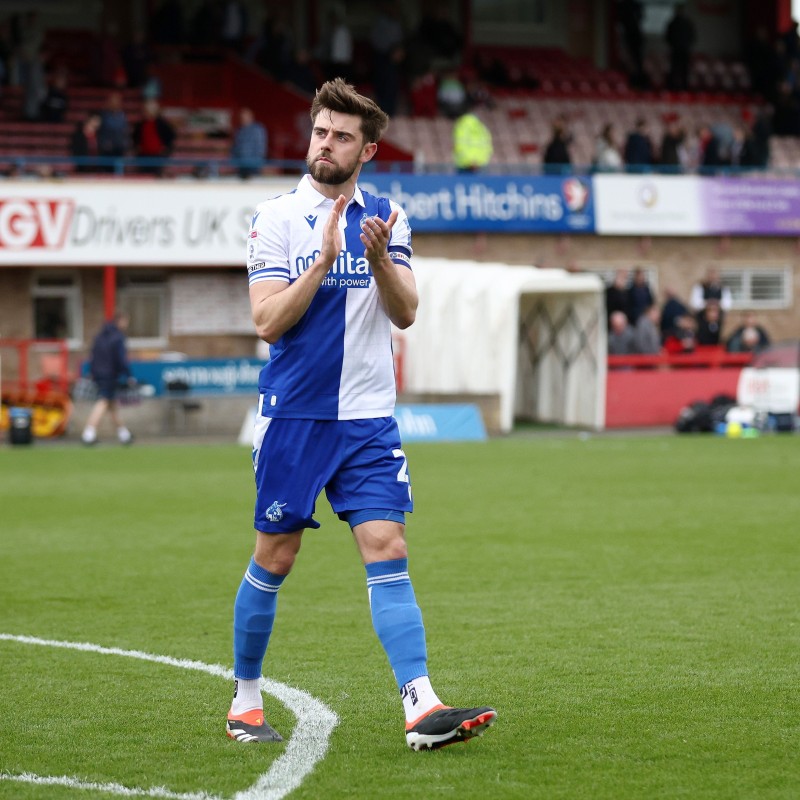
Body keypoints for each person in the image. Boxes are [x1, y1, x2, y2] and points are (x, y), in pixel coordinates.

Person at [229, 77, 496, 750]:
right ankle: (246, 702)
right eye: (321, 131)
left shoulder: (388, 216)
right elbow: (266, 321)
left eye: (342, 136)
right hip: (296, 419)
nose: (327, 144)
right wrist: (320, 264)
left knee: (388, 546)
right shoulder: (275, 218)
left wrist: (377, 259)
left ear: (367, 150)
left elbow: (406, 310)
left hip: (369, 419)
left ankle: (421, 707)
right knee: (276, 556)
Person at [81, 312, 134, 445]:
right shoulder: (118, 338)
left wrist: (93, 372)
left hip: (98, 374)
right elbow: (121, 359)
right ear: (120, 321)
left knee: (112, 404)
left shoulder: (99, 337)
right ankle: (88, 433)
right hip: (109, 375)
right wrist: (128, 375)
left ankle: (124, 434)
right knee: (103, 402)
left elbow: (92, 356)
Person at [132, 98, 176, 176]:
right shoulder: (141, 124)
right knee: (144, 176)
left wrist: (165, 148)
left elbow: (171, 136)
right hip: (144, 155)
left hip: (157, 156)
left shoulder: (161, 124)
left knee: (156, 176)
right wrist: (137, 147)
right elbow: (134, 137)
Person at [452, 101, 493, 172]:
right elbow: (461, 144)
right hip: (474, 166)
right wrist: (475, 162)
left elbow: (460, 146)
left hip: (472, 165)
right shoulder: (479, 127)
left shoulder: (463, 126)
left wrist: (474, 162)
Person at [665, 5, 696, 91]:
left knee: (683, 70)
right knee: (675, 69)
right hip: (677, 50)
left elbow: (692, 37)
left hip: (683, 50)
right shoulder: (673, 23)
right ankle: (673, 88)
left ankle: (683, 88)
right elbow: (668, 37)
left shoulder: (687, 23)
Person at [230, 107, 267, 179]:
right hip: (241, 164)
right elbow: (235, 147)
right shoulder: (239, 130)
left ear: (251, 117)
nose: (243, 118)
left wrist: (257, 162)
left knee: (254, 186)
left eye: (245, 116)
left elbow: (260, 147)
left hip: (253, 165)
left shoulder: (258, 129)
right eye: (242, 117)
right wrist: (234, 161)